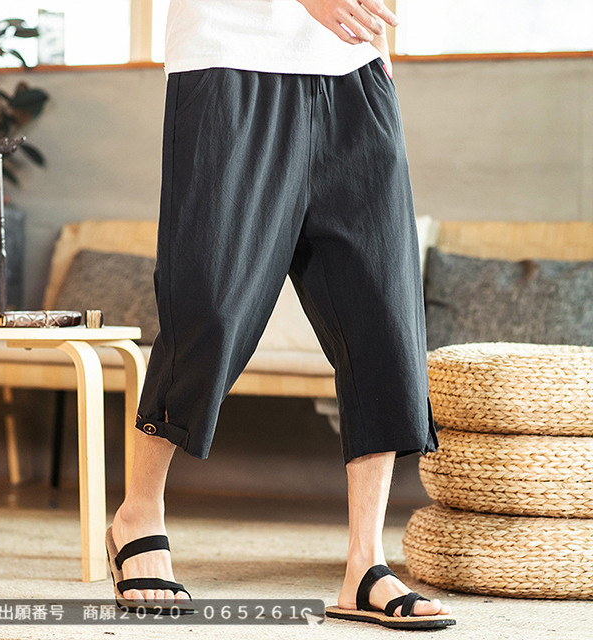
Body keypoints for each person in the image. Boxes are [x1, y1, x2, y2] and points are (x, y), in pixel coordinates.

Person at [107, 0, 455, 629]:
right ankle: (138, 514)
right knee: (209, 310)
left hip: (355, 76)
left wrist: (378, 57)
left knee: (383, 317)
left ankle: (365, 564)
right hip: (228, 65)